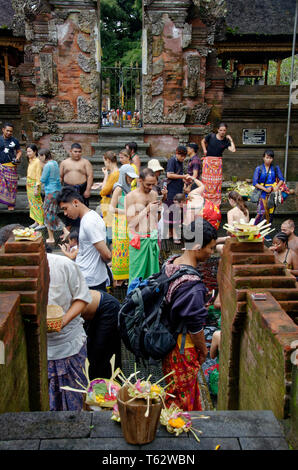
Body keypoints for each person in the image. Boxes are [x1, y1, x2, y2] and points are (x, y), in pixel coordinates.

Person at [162, 218, 218, 411]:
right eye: (210, 248)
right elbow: (195, 326)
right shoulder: (192, 285)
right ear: (196, 246)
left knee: (173, 388)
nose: (212, 253)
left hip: (168, 339)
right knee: (182, 397)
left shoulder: (171, 263)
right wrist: (203, 350)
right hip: (182, 347)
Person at [47, 252, 92, 411]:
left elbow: (83, 298)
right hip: (36, 349)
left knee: (75, 400)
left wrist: (64, 320)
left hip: (69, 343)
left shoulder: (62, 264)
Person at [57, 187, 112, 291]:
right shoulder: (89, 217)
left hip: (90, 281)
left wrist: (100, 261)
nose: (65, 213)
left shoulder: (89, 222)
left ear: (75, 202)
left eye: (65, 208)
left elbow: (107, 255)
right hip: (87, 277)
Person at [125, 168, 161, 285]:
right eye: (148, 184)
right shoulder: (131, 197)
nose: (150, 187)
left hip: (152, 238)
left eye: (153, 184)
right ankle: (133, 301)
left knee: (153, 276)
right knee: (137, 276)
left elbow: (156, 219)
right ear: (140, 180)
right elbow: (131, 223)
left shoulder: (154, 194)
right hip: (138, 240)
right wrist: (146, 209)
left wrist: (159, 210)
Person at [81, 289, 122, 380]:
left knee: (103, 354)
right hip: (92, 313)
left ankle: (113, 386)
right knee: (93, 354)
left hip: (108, 309)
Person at [110, 164, 138, 286]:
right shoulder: (119, 189)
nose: (131, 179)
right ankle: (118, 279)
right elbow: (111, 208)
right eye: (129, 177)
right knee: (120, 249)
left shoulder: (128, 188)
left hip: (127, 221)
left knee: (127, 248)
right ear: (123, 175)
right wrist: (126, 211)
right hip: (120, 222)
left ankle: (124, 277)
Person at [201, 123, 236, 207]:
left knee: (216, 182)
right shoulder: (211, 136)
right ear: (217, 130)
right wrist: (204, 150)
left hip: (217, 163)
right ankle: (206, 202)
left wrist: (231, 140)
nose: (222, 132)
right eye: (221, 130)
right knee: (206, 181)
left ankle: (215, 204)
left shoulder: (225, 141)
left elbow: (233, 150)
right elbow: (203, 141)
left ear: (226, 131)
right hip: (208, 162)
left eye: (224, 130)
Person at [60, 143, 93, 229]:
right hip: (68, 188)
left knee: (83, 208)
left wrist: (88, 190)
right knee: (67, 208)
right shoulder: (64, 163)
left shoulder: (85, 162)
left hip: (81, 188)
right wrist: (59, 189)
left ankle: (84, 228)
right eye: (75, 151)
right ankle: (68, 228)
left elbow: (90, 176)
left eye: (79, 152)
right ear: (70, 151)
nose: (77, 153)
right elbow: (60, 177)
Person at [252, 149, 285, 238]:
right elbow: (255, 183)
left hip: (272, 195)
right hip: (262, 194)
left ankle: (266, 233)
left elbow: (282, 179)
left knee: (270, 214)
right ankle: (254, 231)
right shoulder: (259, 168)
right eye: (267, 157)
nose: (268, 160)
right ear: (263, 158)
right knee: (261, 212)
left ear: (272, 159)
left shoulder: (275, 168)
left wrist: (277, 187)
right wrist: (264, 189)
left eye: (270, 158)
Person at [39, 149, 69, 244]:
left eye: (40, 156)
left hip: (50, 192)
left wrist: (41, 167)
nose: (39, 158)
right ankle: (51, 237)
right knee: (49, 214)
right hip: (57, 191)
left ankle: (64, 230)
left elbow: (43, 179)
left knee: (49, 214)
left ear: (44, 156)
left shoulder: (47, 165)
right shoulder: (55, 163)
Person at [164, 145, 192, 238]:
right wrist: (183, 177)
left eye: (185, 156)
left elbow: (177, 175)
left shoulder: (180, 162)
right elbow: (169, 175)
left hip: (177, 189)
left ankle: (172, 233)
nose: (183, 158)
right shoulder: (172, 161)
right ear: (177, 154)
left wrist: (184, 180)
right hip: (172, 190)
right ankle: (170, 233)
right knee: (171, 211)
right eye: (182, 156)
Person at [99, 151, 119, 248]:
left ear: (108, 160)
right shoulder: (115, 173)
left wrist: (106, 175)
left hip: (109, 205)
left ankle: (113, 258)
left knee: (110, 235)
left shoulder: (114, 174)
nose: (105, 163)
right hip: (109, 205)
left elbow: (103, 191)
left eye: (104, 161)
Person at [0, 122, 22, 210]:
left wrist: (17, 158)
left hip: (11, 167)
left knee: (12, 186)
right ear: (3, 130)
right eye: (7, 131)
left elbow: (19, 151)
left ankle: (11, 205)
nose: (9, 133)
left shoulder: (14, 141)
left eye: (11, 131)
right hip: (0, 166)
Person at [26, 144, 44, 229]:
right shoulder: (30, 160)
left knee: (37, 203)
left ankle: (41, 222)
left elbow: (38, 175)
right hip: (29, 183)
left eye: (30, 151)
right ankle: (36, 221)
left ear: (35, 151)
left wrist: (37, 187)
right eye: (27, 151)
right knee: (32, 203)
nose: (28, 153)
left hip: (35, 184)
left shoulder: (37, 161)